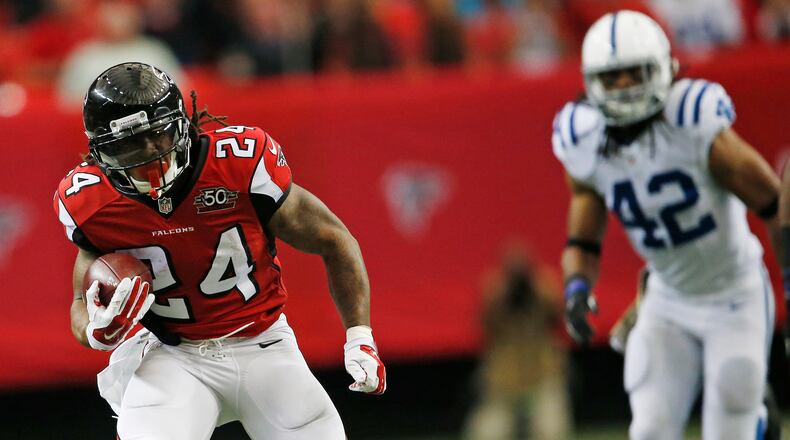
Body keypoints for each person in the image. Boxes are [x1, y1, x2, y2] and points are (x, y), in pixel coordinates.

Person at [53, 62, 386, 439]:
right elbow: (81, 299)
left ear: (181, 124)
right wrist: (94, 331)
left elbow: (334, 239)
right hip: (174, 355)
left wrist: (360, 337)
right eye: (129, 145)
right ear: (101, 151)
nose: (149, 155)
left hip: (264, 343)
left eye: (157, 135)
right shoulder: (90, 201)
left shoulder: (238, 163)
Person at [552, 10, 781, 439]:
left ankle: (759, 421)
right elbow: (583, 240)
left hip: (735, 293)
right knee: (650, 430)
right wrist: (577, 289)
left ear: (662, 69)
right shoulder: (583, 140)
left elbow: (775, 204)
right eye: (612, 77)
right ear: (591, 82)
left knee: (730, 428)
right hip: (668, 298)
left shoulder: (693, 121)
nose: (624, 87)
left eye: (635, 73)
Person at [462, 243, 570, 440]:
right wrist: (505, 294)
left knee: (551, 431)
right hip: (503, 376)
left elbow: (559, 319)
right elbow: (483, 327)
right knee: (488, 433)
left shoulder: (543, 287)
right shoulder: (494, 289)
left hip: (543, 370)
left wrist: (533, 289)